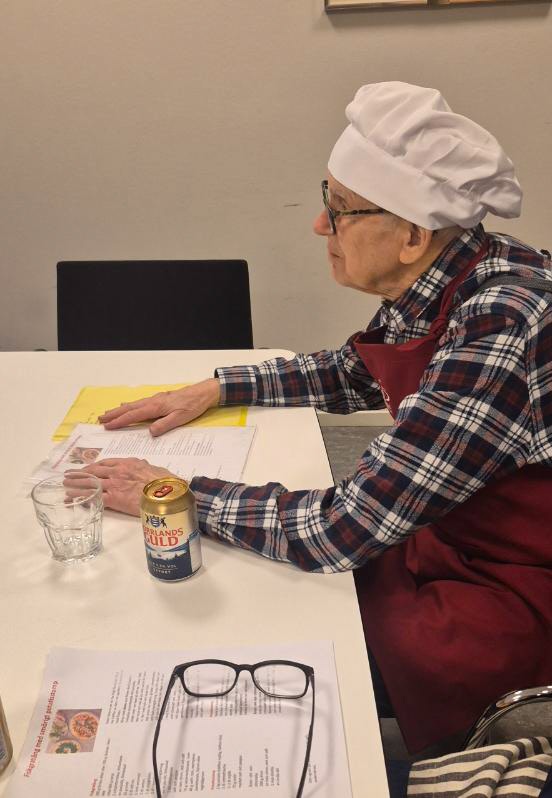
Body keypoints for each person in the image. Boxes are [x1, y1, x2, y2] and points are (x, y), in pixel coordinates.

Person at [80, 82, 552, 755]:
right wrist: (221, 387)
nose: (319, 225)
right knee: (265, 581)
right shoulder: (457, 269)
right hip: (451, 532)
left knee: (284, 633)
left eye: (340, 210)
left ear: (412, 235)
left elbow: (339, 531)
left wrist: (173, 496)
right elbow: (355, 371)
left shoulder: (501, 325)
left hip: (515, 588)